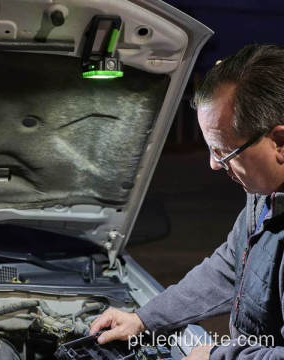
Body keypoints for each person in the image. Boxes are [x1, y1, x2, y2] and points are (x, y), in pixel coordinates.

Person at [90, 44, 284, 359]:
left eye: (224, 151)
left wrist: (217, 357)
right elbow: (232, 266)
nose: (213, 165)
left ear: (279, 142)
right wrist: (146, 319)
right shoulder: (265, 197)